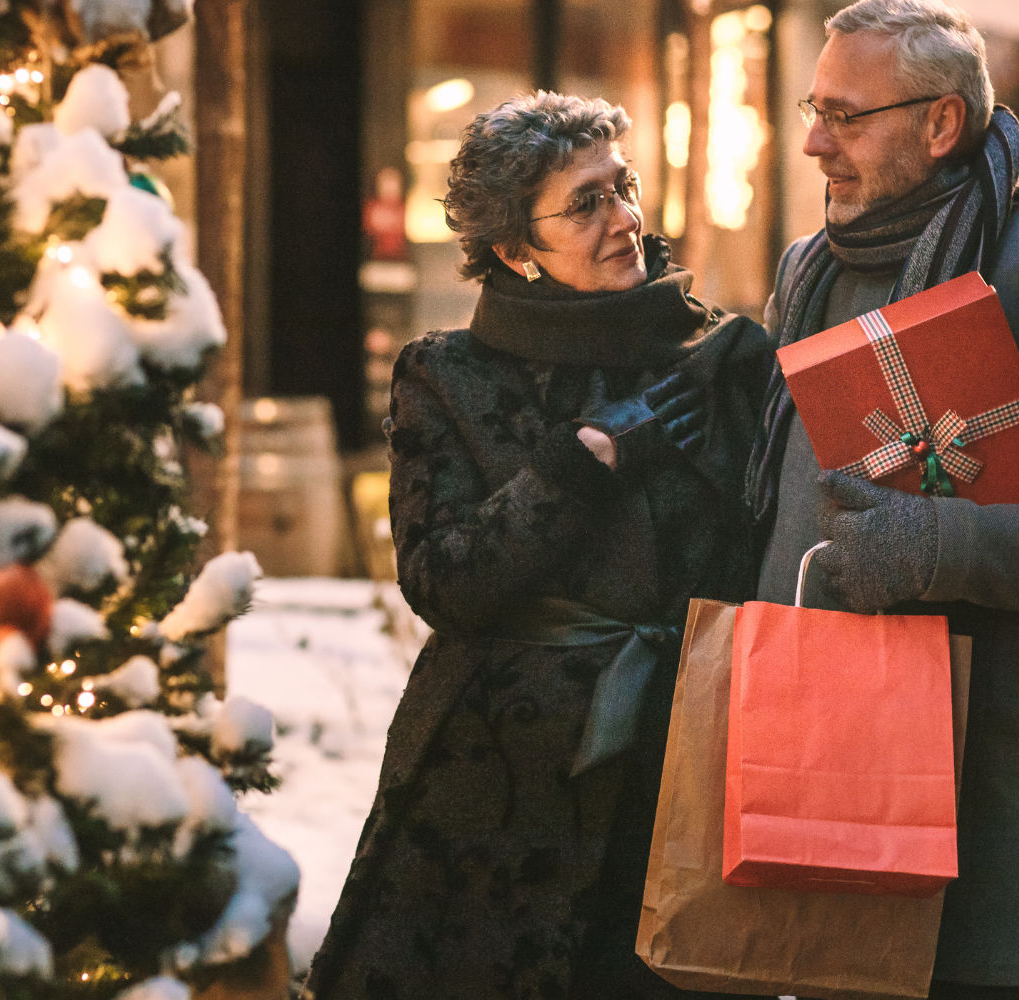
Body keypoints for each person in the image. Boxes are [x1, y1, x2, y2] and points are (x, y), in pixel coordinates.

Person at [747, 2, 1019, 996]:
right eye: (815, 108)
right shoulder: (808, 273)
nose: (815, 141)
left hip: (968, 819)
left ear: (941, 125)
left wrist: (937, 544)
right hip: (804, 761)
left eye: (847, 117)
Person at [306, 91, 769, 1000]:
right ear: (516, 251)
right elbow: (443, 582)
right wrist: (578, 465)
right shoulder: (447, 374)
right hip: (498, 792)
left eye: (621, 187)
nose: (623, 218)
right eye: (585, 203)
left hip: (687, 759)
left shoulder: (718, 358)